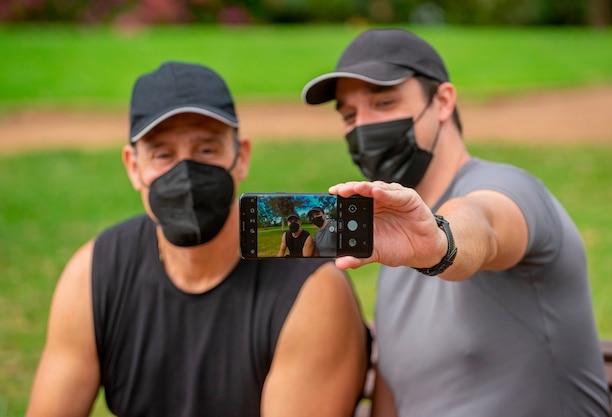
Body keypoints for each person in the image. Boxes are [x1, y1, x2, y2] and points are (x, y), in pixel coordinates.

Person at [26, 61, 370, 417]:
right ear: (133, 166)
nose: (186, 172)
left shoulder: (310, 291)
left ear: (242, 156)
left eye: (206, 150)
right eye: (163, 154)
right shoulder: (94, 275)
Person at [301, 28, 611, 417]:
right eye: (349, 115)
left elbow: (484, 224)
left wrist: (440, 241)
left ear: (443, 102)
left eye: (384, 102)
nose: (363, 126)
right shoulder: (393, 252)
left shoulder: (509, 188)